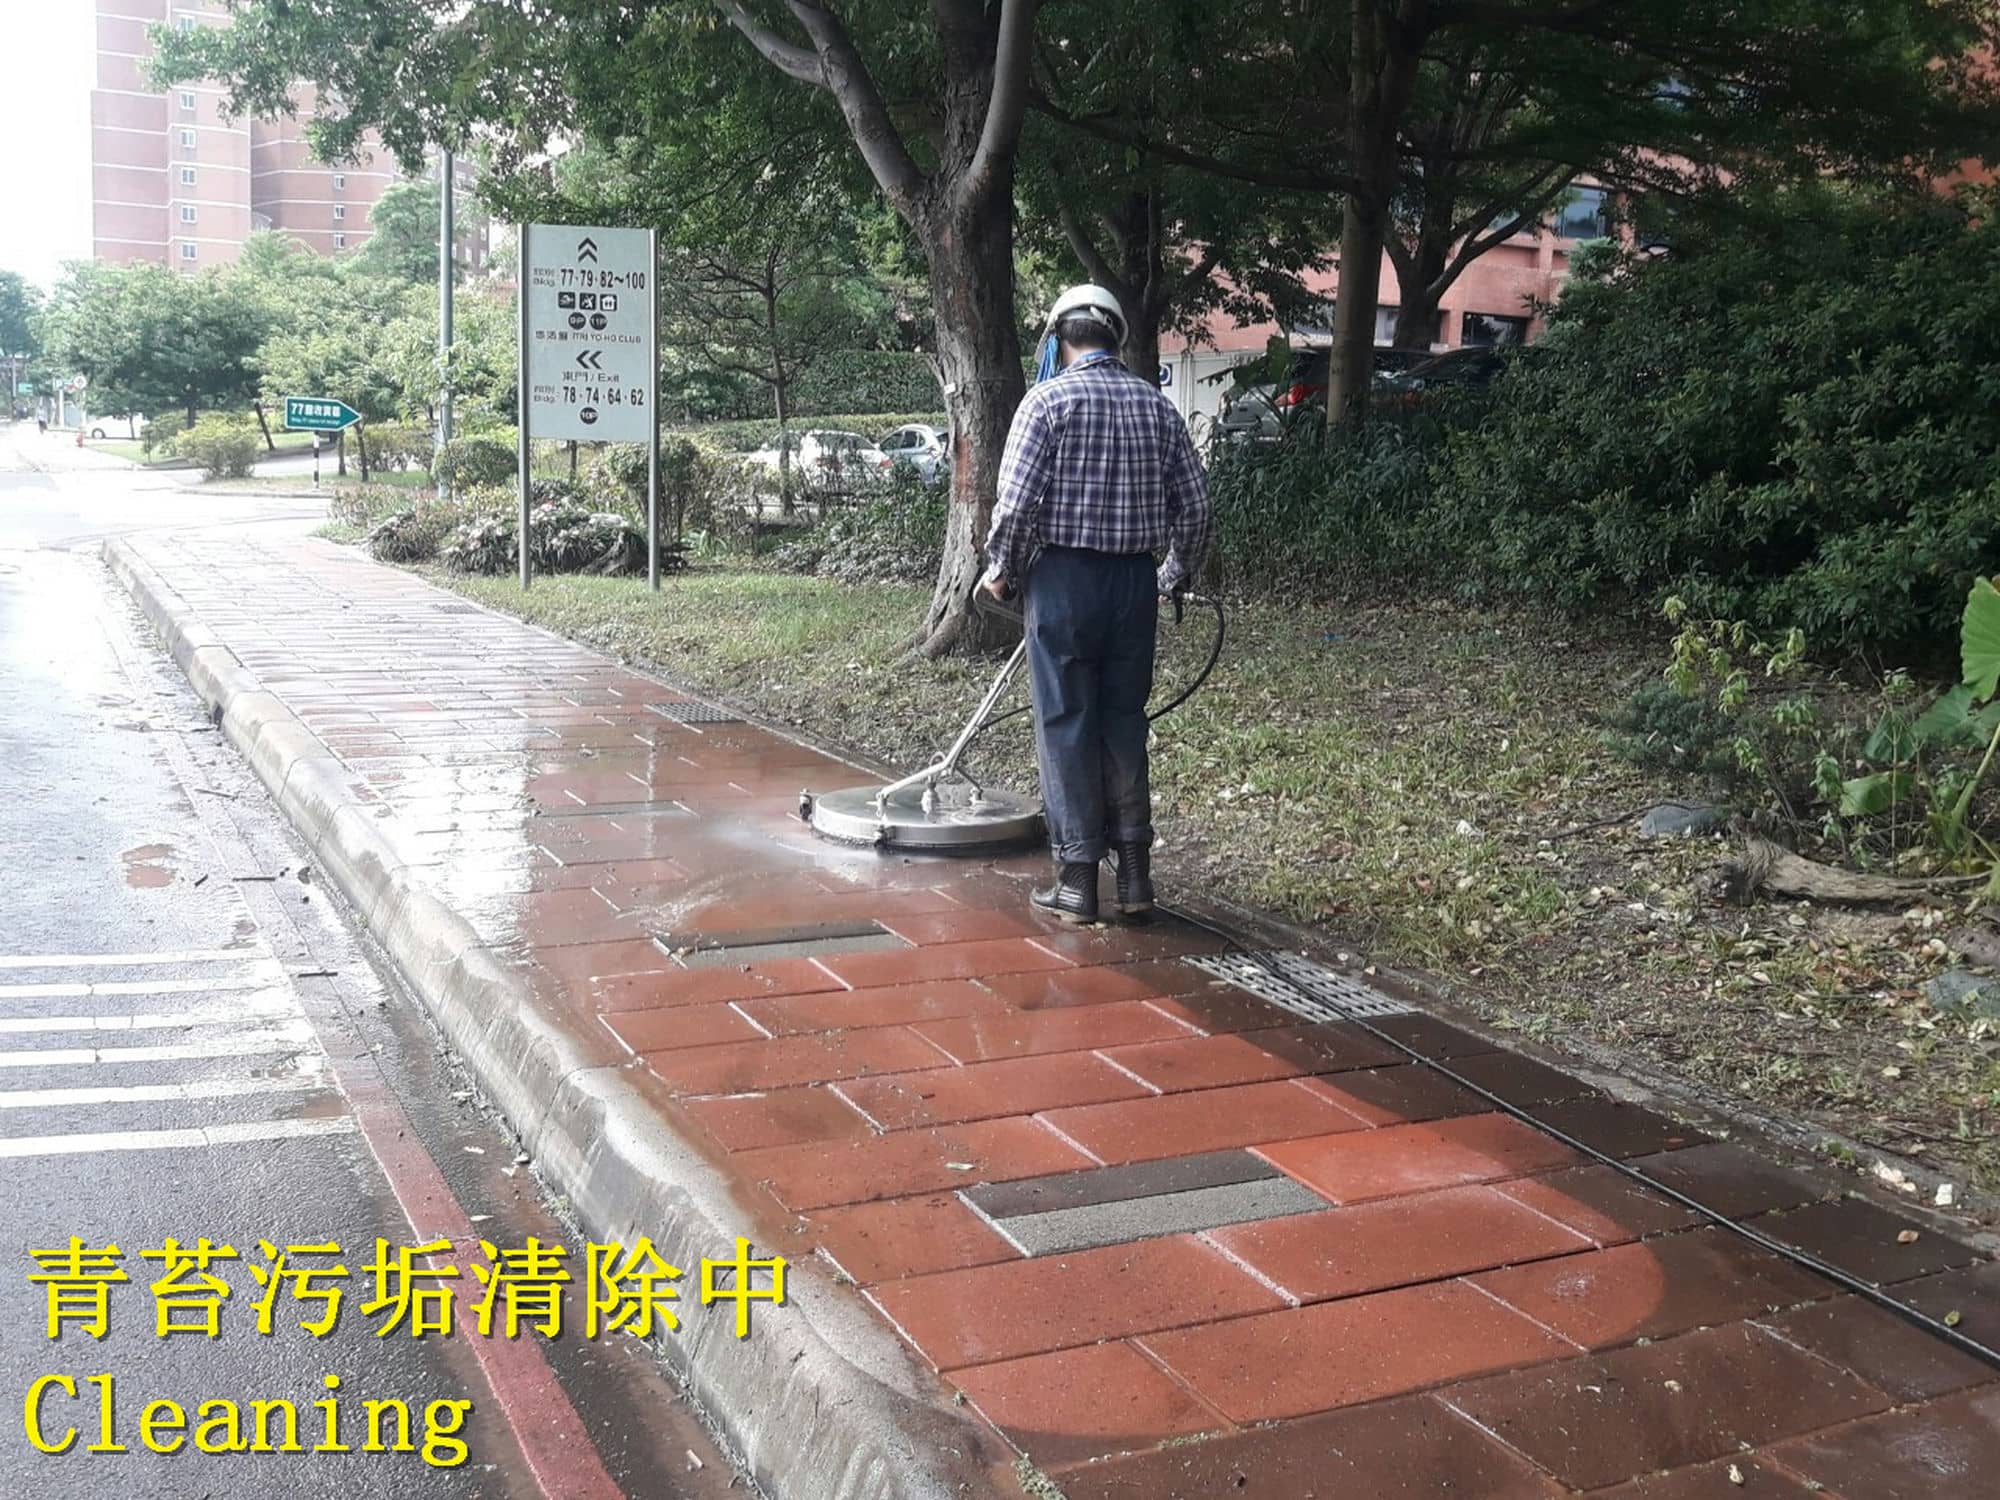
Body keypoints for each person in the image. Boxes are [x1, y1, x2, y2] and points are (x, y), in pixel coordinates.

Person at [981, 284, 1213, 924]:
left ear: (1059, 337)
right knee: (1123, 720)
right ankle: (1136, 878)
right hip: (1134, 587)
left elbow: (1017, 503)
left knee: (1065, 721)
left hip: (1065, 582)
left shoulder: (1046, 403)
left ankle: (1078, 881)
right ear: (1117, 336)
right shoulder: (1157, 408)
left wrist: (1000, 570)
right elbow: (1195, 510)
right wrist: (1172, 574)